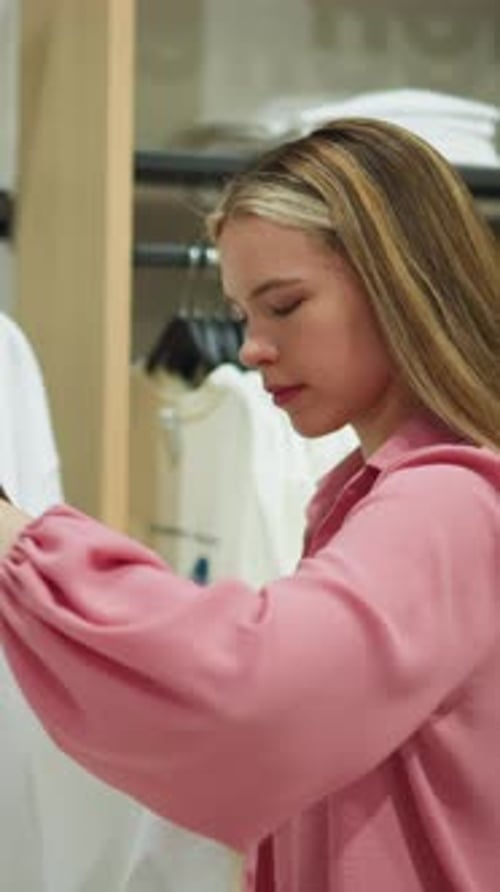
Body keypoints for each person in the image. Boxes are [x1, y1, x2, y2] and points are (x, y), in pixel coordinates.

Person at [0, 118, 499, 892]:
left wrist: (19, 544)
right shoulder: (376, 496)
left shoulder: (451, 503)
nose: (250, 348)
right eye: (242, 316)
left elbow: (255, 695)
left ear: (399, 283)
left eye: (285, 305)